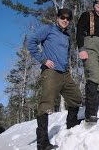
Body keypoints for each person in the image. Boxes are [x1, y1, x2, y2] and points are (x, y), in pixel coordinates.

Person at [27, 8, 82, 150]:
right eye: (63, 17)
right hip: (51, 72)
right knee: (46, 104)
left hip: (64, 73)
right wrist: (43, 59)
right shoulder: (49, 29)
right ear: (57, 18)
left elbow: (66, 54)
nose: (65, 20)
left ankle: (72, 125)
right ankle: (42, 142)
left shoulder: (67, 36)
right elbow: (31, 42)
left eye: (68, 18)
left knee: (76, 97)